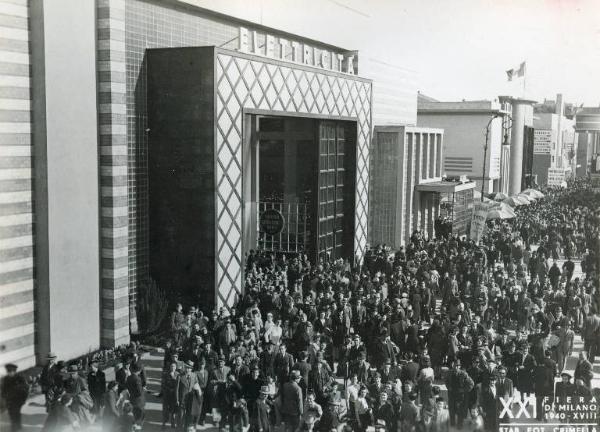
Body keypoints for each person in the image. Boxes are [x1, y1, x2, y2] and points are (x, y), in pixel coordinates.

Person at [0, 363, 29, 432]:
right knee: (12, 413)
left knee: (15, 413)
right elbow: (4, 389)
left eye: (11, 372)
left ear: (14, 371)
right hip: (9, 400)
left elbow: (25, 389)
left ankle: (15, 427)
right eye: (8, 372)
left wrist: (23, 400)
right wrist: (4, 395)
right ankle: (18, 425)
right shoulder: (6, 378)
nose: (10, 373)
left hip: (17, 400)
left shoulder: (20, 378)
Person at [126, 362, 146, 430]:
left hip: (132, 399)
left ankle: (133, 429)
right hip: (139, 402)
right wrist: (143, 389)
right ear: (139, 370)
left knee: (134, 417)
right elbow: (139, 392)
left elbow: (128, 387)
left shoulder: (129, 377)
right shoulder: (138, 379)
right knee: (140, 418)